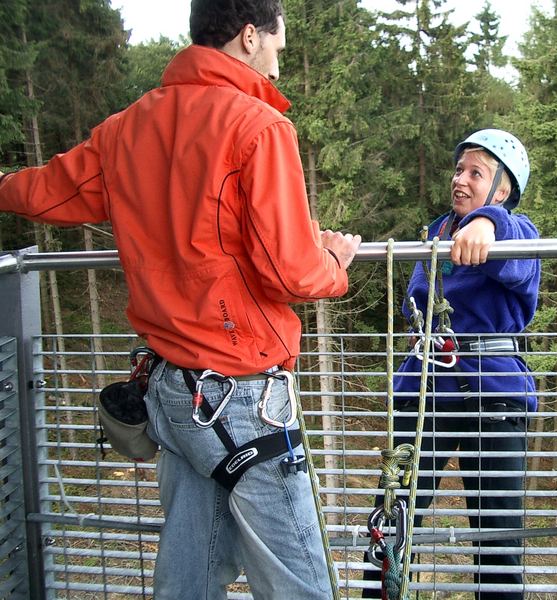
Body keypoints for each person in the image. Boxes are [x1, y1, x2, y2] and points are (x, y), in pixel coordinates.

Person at [0, 1, 361, 598]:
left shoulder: (126, 128)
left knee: (189, 578)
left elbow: (47, 192)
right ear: (250, 36)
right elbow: (289, 272)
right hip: (245, 397)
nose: (276, 64)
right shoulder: (260, 127)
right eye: (276, 46)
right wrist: (333, 263)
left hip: (172, 392)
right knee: (302, 584)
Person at [364, 129, 540, 599]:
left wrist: (489, 222)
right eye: (459, 169)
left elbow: (520, 246)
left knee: (497, 537)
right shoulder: (436, 233)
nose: (460, 179)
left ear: (502, 191)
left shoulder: (513, 231)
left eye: (476, 173)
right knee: (392, 520)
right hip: (424, 389)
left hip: (494, 393)